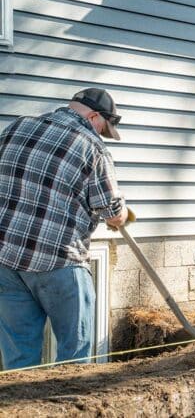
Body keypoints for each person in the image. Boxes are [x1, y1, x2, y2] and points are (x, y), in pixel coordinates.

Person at [0, 88, 130, 370]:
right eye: (104, 129)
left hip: (5, 261)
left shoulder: (17, 126)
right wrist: (123, 212)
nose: (102, 135)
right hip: (57, 262)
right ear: (94, 116)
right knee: (75, 356)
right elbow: (111, 212)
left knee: (19, 360)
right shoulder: (92, 148)